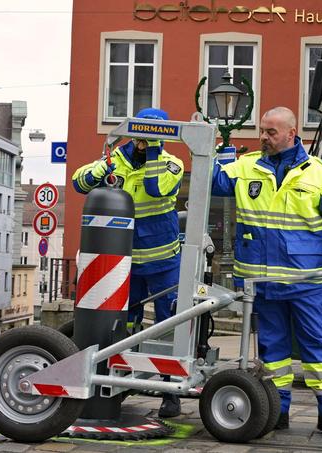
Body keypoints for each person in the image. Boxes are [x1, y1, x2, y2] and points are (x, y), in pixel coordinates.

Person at [211, 107, 322, 442]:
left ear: (291, 132)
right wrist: (217, 153)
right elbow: (213, 182)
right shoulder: (246, 167)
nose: (264, 137)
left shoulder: (318, 174)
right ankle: (277, 410)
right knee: (273, 354)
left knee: (319, 350)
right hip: (262, 285)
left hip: (306, 284)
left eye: (271, 132)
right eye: (262, 130)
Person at [72, 107, 184, 418]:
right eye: (141, 133)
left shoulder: (171, 164)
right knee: (122, 325)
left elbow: (156, 188)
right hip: (124, 263)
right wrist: (97, 172)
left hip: (163, 262)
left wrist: (155, 153)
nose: (143, 140)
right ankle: (117, 385)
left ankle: (169, 391)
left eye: (151, 134)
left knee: (167, 326)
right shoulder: (114, 158)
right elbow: (78, 182)